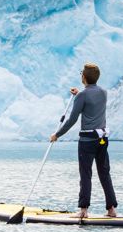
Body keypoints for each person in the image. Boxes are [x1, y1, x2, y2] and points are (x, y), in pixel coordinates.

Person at [50, 62, 118, 218]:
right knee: (104, 173)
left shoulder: (82, 96)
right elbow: (91, 99)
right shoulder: (103, 92)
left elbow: (72, 119)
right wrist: (78, 95)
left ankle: (83, 210)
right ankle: (111, 209)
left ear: (84, 77)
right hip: (102, 139)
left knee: (86, 174)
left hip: (87, 140)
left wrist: (57, 135)